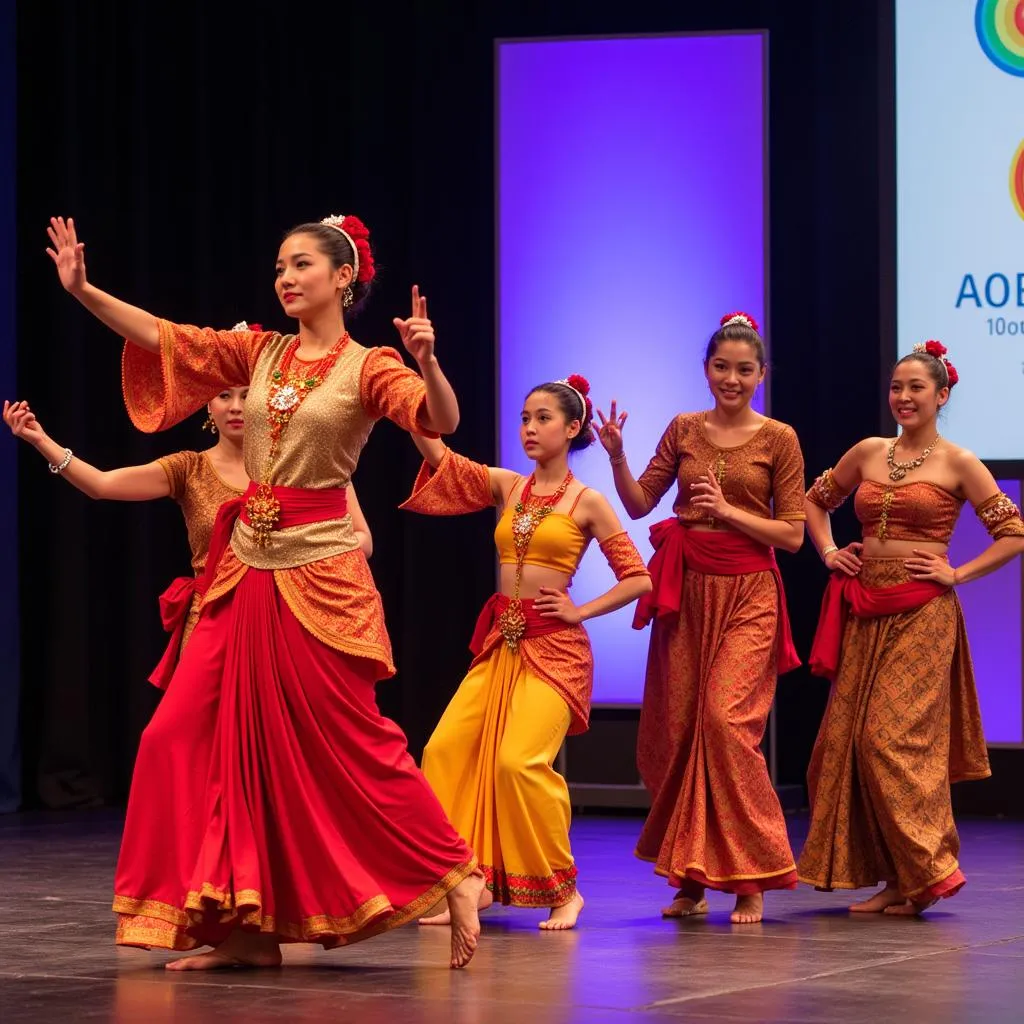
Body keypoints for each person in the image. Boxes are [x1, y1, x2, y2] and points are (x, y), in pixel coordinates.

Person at [44, 213, 484, 969]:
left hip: (322, 577)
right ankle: (246, 925)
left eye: (302, 264)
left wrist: (429, 362)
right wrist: (84, 290)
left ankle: (457, 871)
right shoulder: (261, 351)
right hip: (244, 570)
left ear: (343, 278)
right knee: (184, 736)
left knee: (354, 740)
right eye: (279, 265)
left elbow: (440, 419)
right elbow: (164, 335)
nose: (285, 276)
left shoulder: (370, 365)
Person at [401, 375, 651, 930]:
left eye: (542, 418)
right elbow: (442, 458)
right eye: (524, 417)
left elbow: (639, 579)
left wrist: (580, 611)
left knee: (518, 762)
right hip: (502, 644)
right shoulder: (511, 487)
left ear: (572, 428)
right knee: (443, 751)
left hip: (556, 648)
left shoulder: (588, 502)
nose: (529, 428)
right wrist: (418, 381)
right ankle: (469, 881)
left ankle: (564, 889)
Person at [798, 340, 1024, 914]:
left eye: (915, 387)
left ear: (941, 394)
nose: (902, 396)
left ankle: (928, 870)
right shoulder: (871, 451)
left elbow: (1014, 533)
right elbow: (815, 501)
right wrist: (827, 552)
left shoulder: (959, 461)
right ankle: (896, 879)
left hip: (923, 613)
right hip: (865, 609)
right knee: (843, 743)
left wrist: (958, 573)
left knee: (889, 741)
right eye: (896, 386)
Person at [596, 312, 805, 924]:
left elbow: (792, 536)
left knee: (724, 721)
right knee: (678, 729)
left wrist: (729, 512)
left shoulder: (779, 438)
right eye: (721, 367)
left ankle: (751, 875)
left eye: (744, 369)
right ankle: (690, 876)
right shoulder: (685, 427)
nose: (731, 379)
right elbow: (639, 504)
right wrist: (615, 457)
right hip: (687, 591)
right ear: (706, 369)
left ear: (761, 374)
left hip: (748, 592)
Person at [4, 366, 372, 689]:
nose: (236, 407)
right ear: (207, 406)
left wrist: (305, 551)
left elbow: (362, 539)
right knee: (190, 739)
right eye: (224, 395)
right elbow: (101, 485)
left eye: (247, 395)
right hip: (213, 623)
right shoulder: (189, 469)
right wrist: (41, 441)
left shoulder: (302, 463)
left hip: (283, 618)